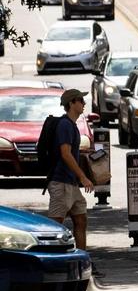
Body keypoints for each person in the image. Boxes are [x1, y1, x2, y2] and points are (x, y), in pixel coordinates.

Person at [47, 90, 95, 256]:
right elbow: (65, 153)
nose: (84, 104)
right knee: (54, 226)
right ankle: (52, 260)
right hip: (61, 183)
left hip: (71, 184)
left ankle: (83, 259)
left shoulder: (72, 125)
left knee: (81, 220)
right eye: (81, 100)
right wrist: (83, 177)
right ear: (72, 103)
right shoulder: (65, 125)